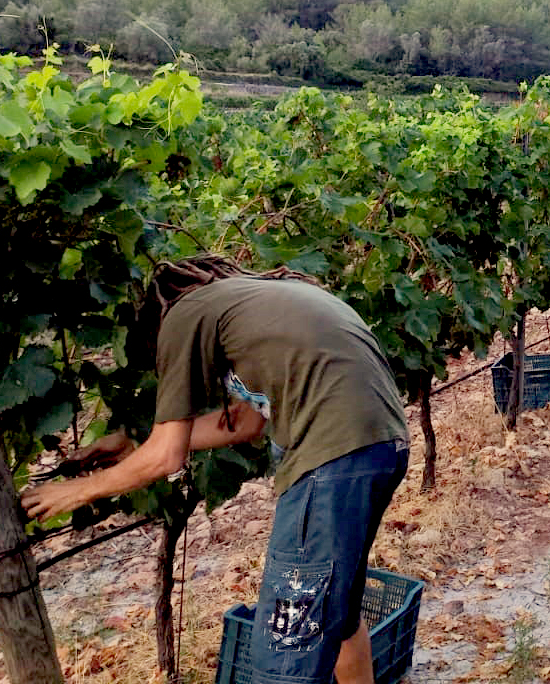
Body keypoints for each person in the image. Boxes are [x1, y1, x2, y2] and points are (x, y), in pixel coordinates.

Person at [22, 260, 410, 684]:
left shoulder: (184, 315)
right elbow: (244, 423)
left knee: (287, 647)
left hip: (329, 458)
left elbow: (166, 457)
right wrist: (134, 440)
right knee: (338, 616)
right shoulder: (251, 301)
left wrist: (76, 491)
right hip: (381, 447)